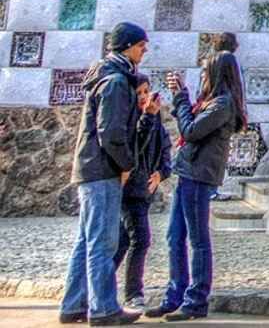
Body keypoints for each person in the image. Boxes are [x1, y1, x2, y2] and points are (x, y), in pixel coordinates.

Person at [60, 22, 147, 326]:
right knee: (103, 243)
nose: (144, 51)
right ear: (127, 46)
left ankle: (74, 304)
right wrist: (126, 165)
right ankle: (103, 308)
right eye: (141, 46)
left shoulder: (107, 76)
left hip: (91, 168)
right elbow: (110, 132)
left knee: (86, 240)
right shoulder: (115, 81)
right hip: (102, 170)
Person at [159, 43, 244, 322]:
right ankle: (175, 295)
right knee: (175, 236)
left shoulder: (223, 104)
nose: (203, 76)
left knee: (198, 239)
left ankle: (196, 299)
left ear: (217, 74)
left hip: (199, 175)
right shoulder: (211, 101)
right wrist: (183, 98)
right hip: (189, 172)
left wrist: (180, 98)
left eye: (206, 72)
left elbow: (191, 131)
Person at [113, 74, 169, 315]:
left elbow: (165, 153)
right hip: (130, 190)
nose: (144, 97)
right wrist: (147, 117)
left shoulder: (156, 122)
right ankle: (133, 294)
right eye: (139, 93)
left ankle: (97, 287)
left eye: (147, 91)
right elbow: (137, 146)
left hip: (144, 190)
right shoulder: (130, 120)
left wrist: (160, 174)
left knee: (123, 242)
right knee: (141, 239)